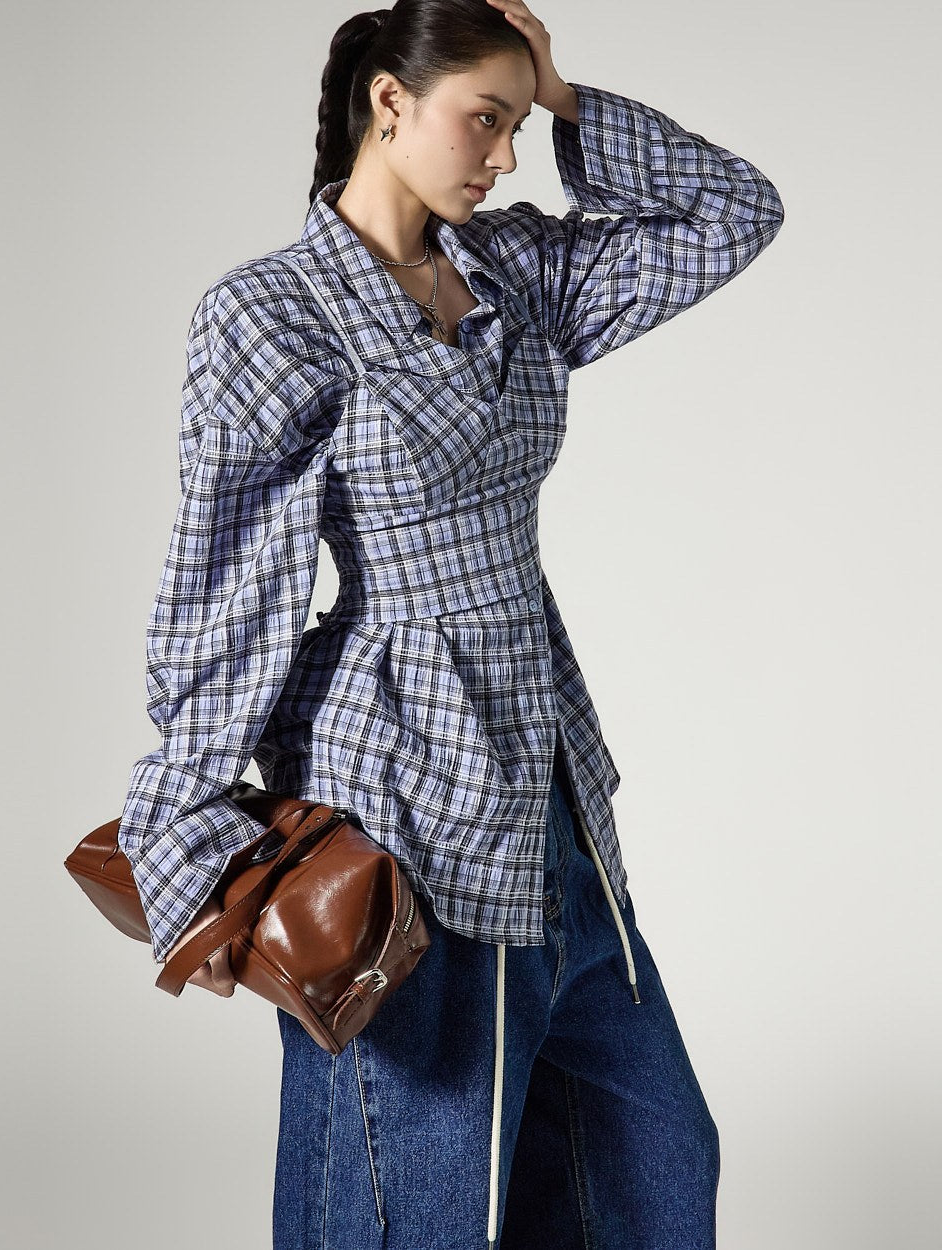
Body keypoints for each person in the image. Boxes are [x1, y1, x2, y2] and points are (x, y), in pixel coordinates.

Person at [116, 0, 785, 1245]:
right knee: (411, 1208)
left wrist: (565, 94)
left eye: (520, 125)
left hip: (552, 789)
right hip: (401, 806)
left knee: (652, 1167)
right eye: (486, 119)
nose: (507, 156)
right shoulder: (272, 314)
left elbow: (734, 212)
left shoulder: (515, 275)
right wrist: (188, 834)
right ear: (389, 101)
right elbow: (227, 582)